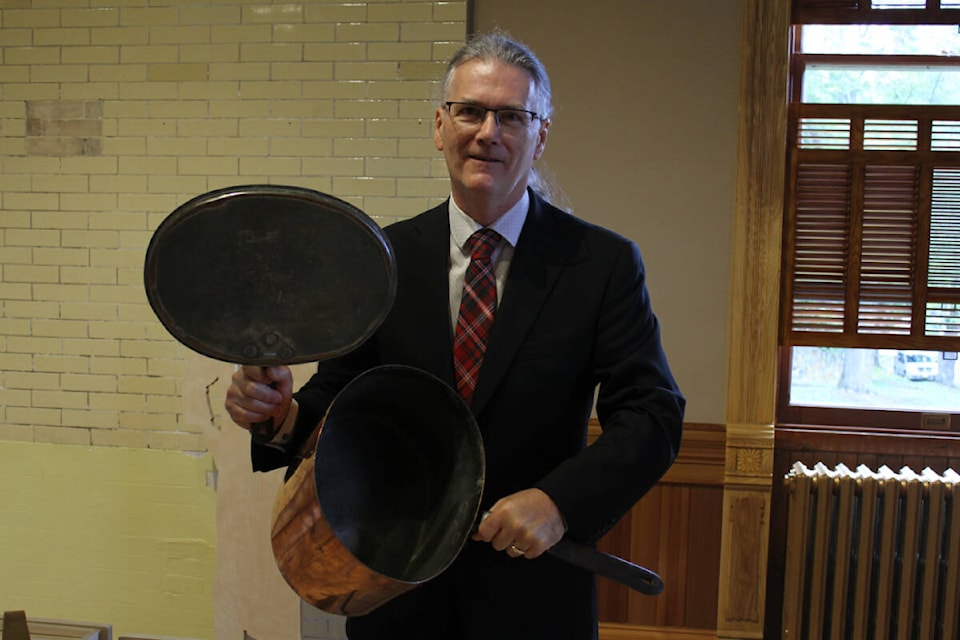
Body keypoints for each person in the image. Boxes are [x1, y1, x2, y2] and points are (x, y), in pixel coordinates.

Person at [225, 29, 684, 640]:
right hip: (395, 582)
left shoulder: (600, 264)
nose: (487, 132)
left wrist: (558, 503)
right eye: (470, 110)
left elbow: (653, 415)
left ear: (540, 134)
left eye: (511, 116)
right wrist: (281, 417)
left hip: (533, 591)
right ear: (440, 126)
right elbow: (343, 397)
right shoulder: (382, 259)